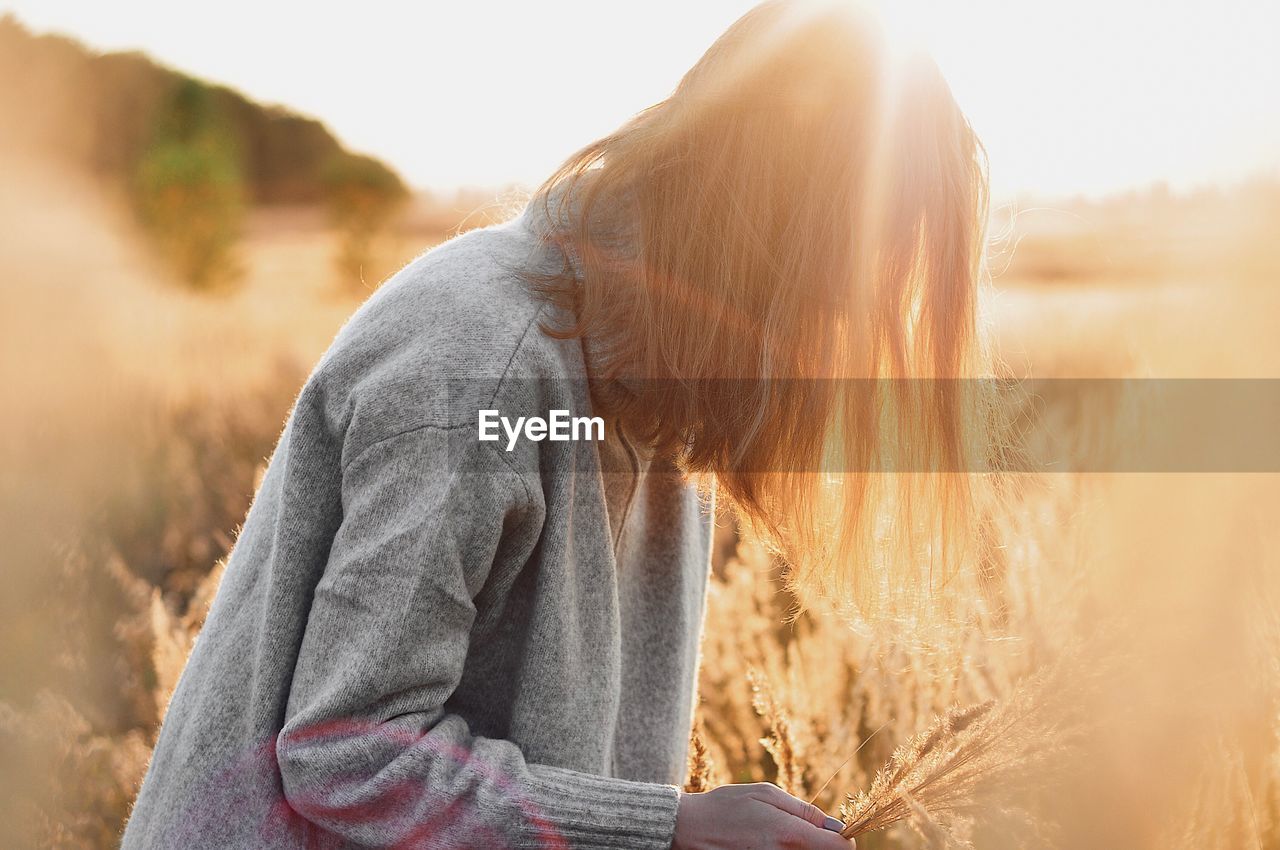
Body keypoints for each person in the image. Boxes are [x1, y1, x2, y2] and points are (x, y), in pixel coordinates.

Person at [122, 1, 988, 847]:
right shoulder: (479, 366)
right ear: (764, 236)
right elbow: (346, 752)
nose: (847, 321)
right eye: (849, 275)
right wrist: (668, 828)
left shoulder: (664, 396)